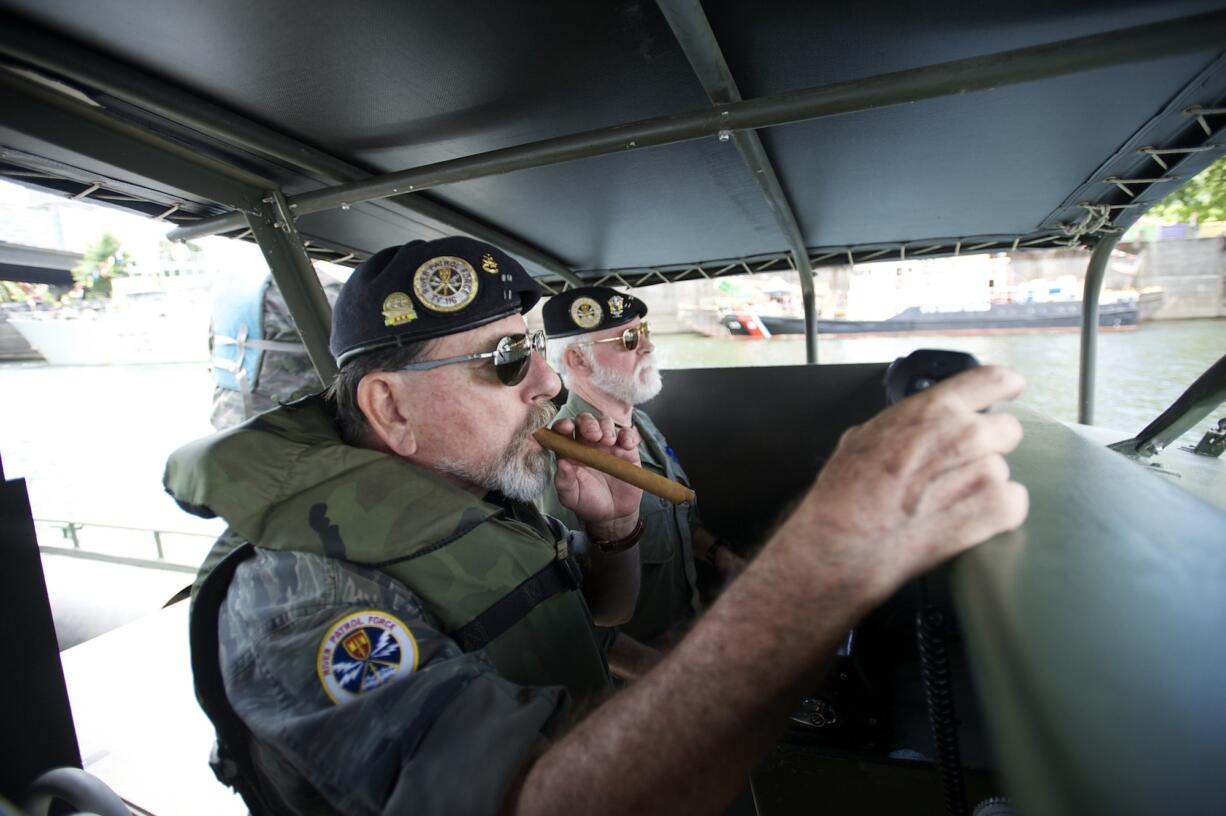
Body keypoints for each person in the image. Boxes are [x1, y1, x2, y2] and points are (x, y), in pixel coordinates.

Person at [167, 236, 1029, 815]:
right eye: (507, 360)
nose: (545, 384)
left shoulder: (479, 491)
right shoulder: (298, 589)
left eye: (535, 351)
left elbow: (598, 624)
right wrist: (826, 560)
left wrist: (614, 534)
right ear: (389, 406)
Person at [537, 286, 742, 676]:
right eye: (630, 339)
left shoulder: (640, 425)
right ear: (578, 359)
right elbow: (569, 614)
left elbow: (676, 521)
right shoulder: (564, 457)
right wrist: (665, 678)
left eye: (643, 330)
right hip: (636, 681)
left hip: (684, 636)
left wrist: (723, 557)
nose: (647, 346)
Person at [209, 269, 341, 430]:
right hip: (285, 416)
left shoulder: (231, 286)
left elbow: (212, 342)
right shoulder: (308, 285)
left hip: (229, 412)